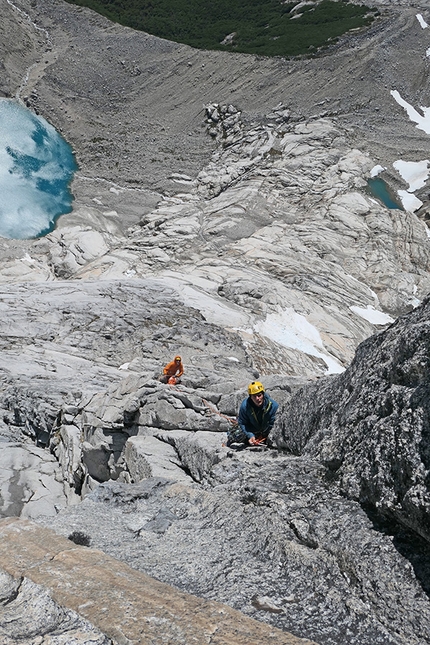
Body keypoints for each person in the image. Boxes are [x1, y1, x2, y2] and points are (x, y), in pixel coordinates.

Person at [229, 381, 278, 446]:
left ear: (263, 394)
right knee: (235, 435)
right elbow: (243, 423)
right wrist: (250, 435)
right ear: (250, 397)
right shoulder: (245, 406)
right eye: (254, 396)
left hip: (267, 430)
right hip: (252, 429)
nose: (257, 398)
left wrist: (265, 435)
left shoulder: (273, 406)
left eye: (259, 395)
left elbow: (273, 424)